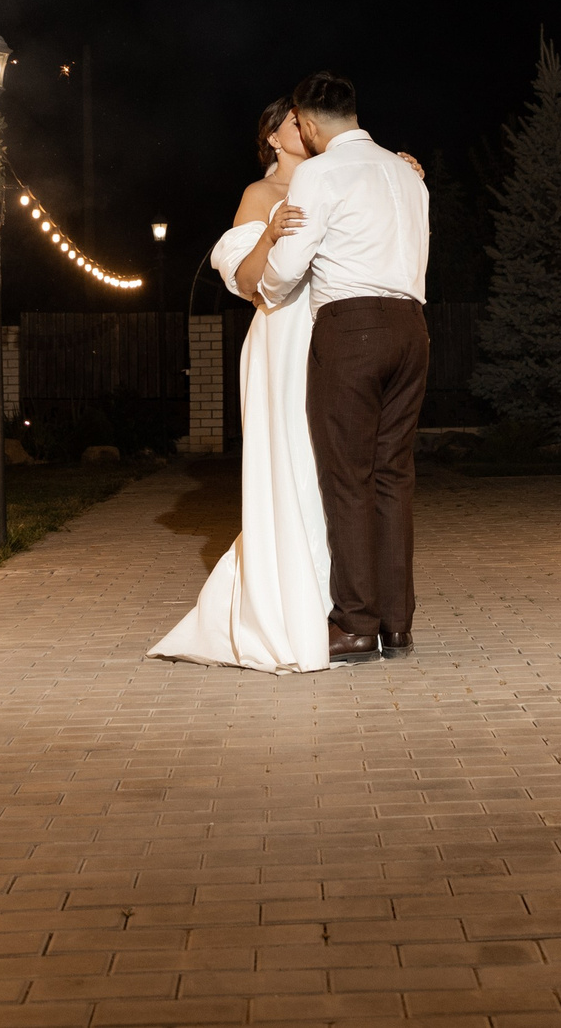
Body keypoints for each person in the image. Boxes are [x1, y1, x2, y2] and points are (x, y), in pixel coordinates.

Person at [150, 100, 337, 673]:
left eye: (308, 119)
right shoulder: (259, 195)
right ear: (274, 137)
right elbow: (248, 283)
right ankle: (284, 612)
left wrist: (399, 171)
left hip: (333, 332)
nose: (305, 128)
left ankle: (335, 607)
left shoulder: (335, 180)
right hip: (281, 338)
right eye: (293, 122)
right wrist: (272, 231)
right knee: (293, 467)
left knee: (332, 472)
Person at [257, 71, 431, 662]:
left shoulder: (317, 172)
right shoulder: (409, 175)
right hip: (413, 327)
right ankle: (398, 625)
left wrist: (269, 280)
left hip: (352, 329)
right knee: (394, 476)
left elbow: (287, 267)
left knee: (349, 478)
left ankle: (355, 624)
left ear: (305, 122)